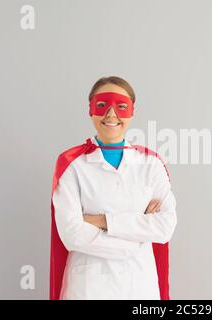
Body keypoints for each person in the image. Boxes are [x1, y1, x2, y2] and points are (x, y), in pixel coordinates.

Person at [50, 76, 177, 299]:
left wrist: (100, 221)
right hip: (89, 287)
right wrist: (135, 241)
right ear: (90, 110)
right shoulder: (72, 163)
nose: (111, 114)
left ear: (132, 112)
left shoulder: (151, 163)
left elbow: (165, 227)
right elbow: (71, 233)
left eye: (120, 106)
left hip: (140, 287)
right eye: (102, 105)